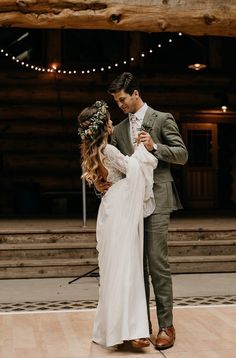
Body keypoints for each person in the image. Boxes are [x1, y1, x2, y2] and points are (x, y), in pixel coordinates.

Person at [106, 72, 188, 350]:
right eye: (117, 101)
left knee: (156, 262)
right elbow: (116, 167)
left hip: (159, 198)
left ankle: (166, 325)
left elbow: (182, 154)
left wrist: (155, 147)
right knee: (135, 265)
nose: (120, 105)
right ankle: (139, 326)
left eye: (122, 99)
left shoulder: (162, 118)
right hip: (131, 202)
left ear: (136, 93)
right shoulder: (117, 130)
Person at [77, 100, 158, 349]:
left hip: (110, 209)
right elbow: (132, 169)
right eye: (109, 119)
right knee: (126, 267)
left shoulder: (94, 153)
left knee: (114, 268)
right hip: (120, 211)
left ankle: (115, 329)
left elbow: (104, 179)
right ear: (104, 126)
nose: (113, 122)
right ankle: (130, 331)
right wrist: (142, 151)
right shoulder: (109, 151)